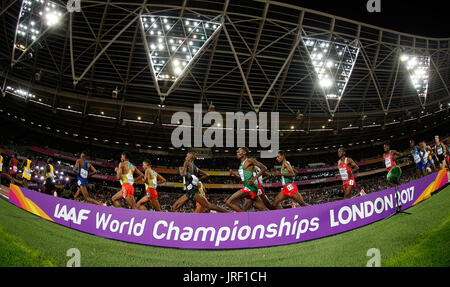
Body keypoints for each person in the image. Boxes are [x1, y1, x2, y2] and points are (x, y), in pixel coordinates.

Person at [225, 147, 269, 212]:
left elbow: (264, 168)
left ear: (244, 153)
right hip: (248, 187)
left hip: (250, 188)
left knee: (229, 202)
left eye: (239, 151)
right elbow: (242, 179)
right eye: (237, 152)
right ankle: (274, 218)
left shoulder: (249, 160)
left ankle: (245, 217)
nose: (237, 153)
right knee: (262, 208)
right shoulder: (241, 165)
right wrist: (234, 175)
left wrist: (254, 178)